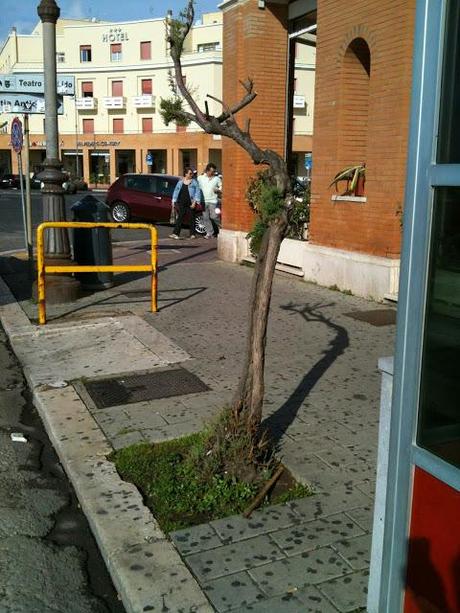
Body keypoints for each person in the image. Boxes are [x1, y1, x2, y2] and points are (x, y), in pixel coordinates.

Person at [170, 167, 202, 239]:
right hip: (182, 202)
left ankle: (192, 234)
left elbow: (197, 192)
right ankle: (175, 234)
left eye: (192, 174)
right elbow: (176, 191)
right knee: (180, 218)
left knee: (192, 218)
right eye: (190, 173)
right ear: (186, 174)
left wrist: (195, 202)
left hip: (191, 202)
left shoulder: (194, 182)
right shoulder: (180, 182)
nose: (191, 175)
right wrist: (173, 200)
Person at [198, 163, 222, 239]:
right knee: (205, 218)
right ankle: (209, 233)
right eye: (212, 171)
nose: (213, 173)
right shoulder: (200, 178)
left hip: (213, 201)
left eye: (214, 171)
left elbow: (222, 186)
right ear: (207, 171)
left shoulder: (217, 179)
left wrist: (218, 189)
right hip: (204, 201)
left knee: (214, 216)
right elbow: (196, 186)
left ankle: (221, 228)